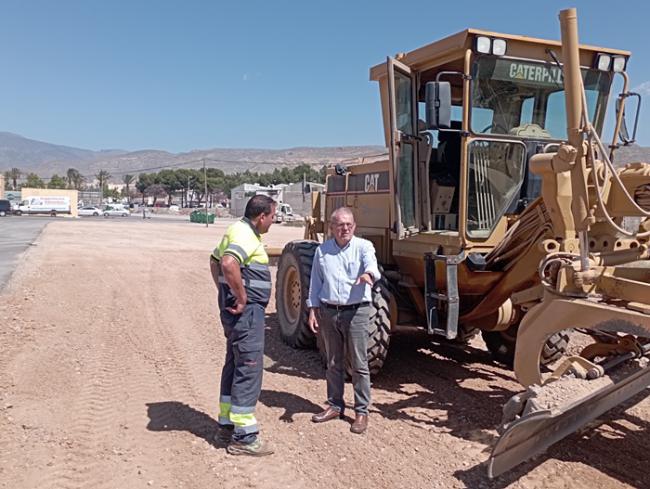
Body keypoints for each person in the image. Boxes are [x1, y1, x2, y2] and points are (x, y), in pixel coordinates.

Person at [210, 195, 277, 456]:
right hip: (246, 315)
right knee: (249, 368)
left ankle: (226, 426)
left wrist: (223, 291)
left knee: (234, 364)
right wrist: (240, 296)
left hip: (238, 314)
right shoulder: (246, 235)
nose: (274, 221)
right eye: (272, 216)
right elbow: (227, 263)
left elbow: (214, 260)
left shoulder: (235, 229)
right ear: (261, 217)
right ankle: (245, 437)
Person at [307, 207, 380, 434]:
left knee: (359, 363)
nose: (345, 228)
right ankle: (335, 405)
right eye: (340, 225)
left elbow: (372, 266)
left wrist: (368, 275)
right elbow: (316, 283)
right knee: (333, 362)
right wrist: (312, 309)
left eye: (349, 224)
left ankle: (361, 412)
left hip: (357, 311)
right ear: (332, 228)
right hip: (329, 311)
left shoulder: (364, 247)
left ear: (354, 226)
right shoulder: (323, 251)